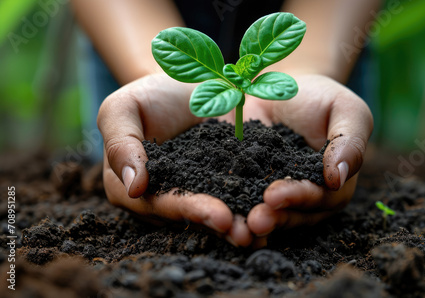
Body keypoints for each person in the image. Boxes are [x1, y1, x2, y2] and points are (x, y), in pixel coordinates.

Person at [71, 0, 377, 247]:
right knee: (127, 151)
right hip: (123, 28)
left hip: (332, 31)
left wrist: (310, 68)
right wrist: (150, 75)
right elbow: (169, 50)